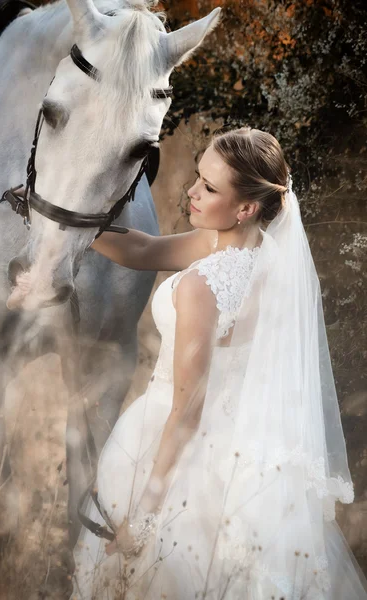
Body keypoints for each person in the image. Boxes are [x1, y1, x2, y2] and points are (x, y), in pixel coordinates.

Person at [70, 127, 367, 599]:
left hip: (179, 447)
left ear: (246, 207)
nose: (191, 190)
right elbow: (144, 249)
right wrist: (71, 224)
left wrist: (145, 515)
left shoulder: (202, 286)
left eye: (209, 188)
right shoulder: (258, 254)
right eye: (197, 177)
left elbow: (188, 411)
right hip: (243, 444)